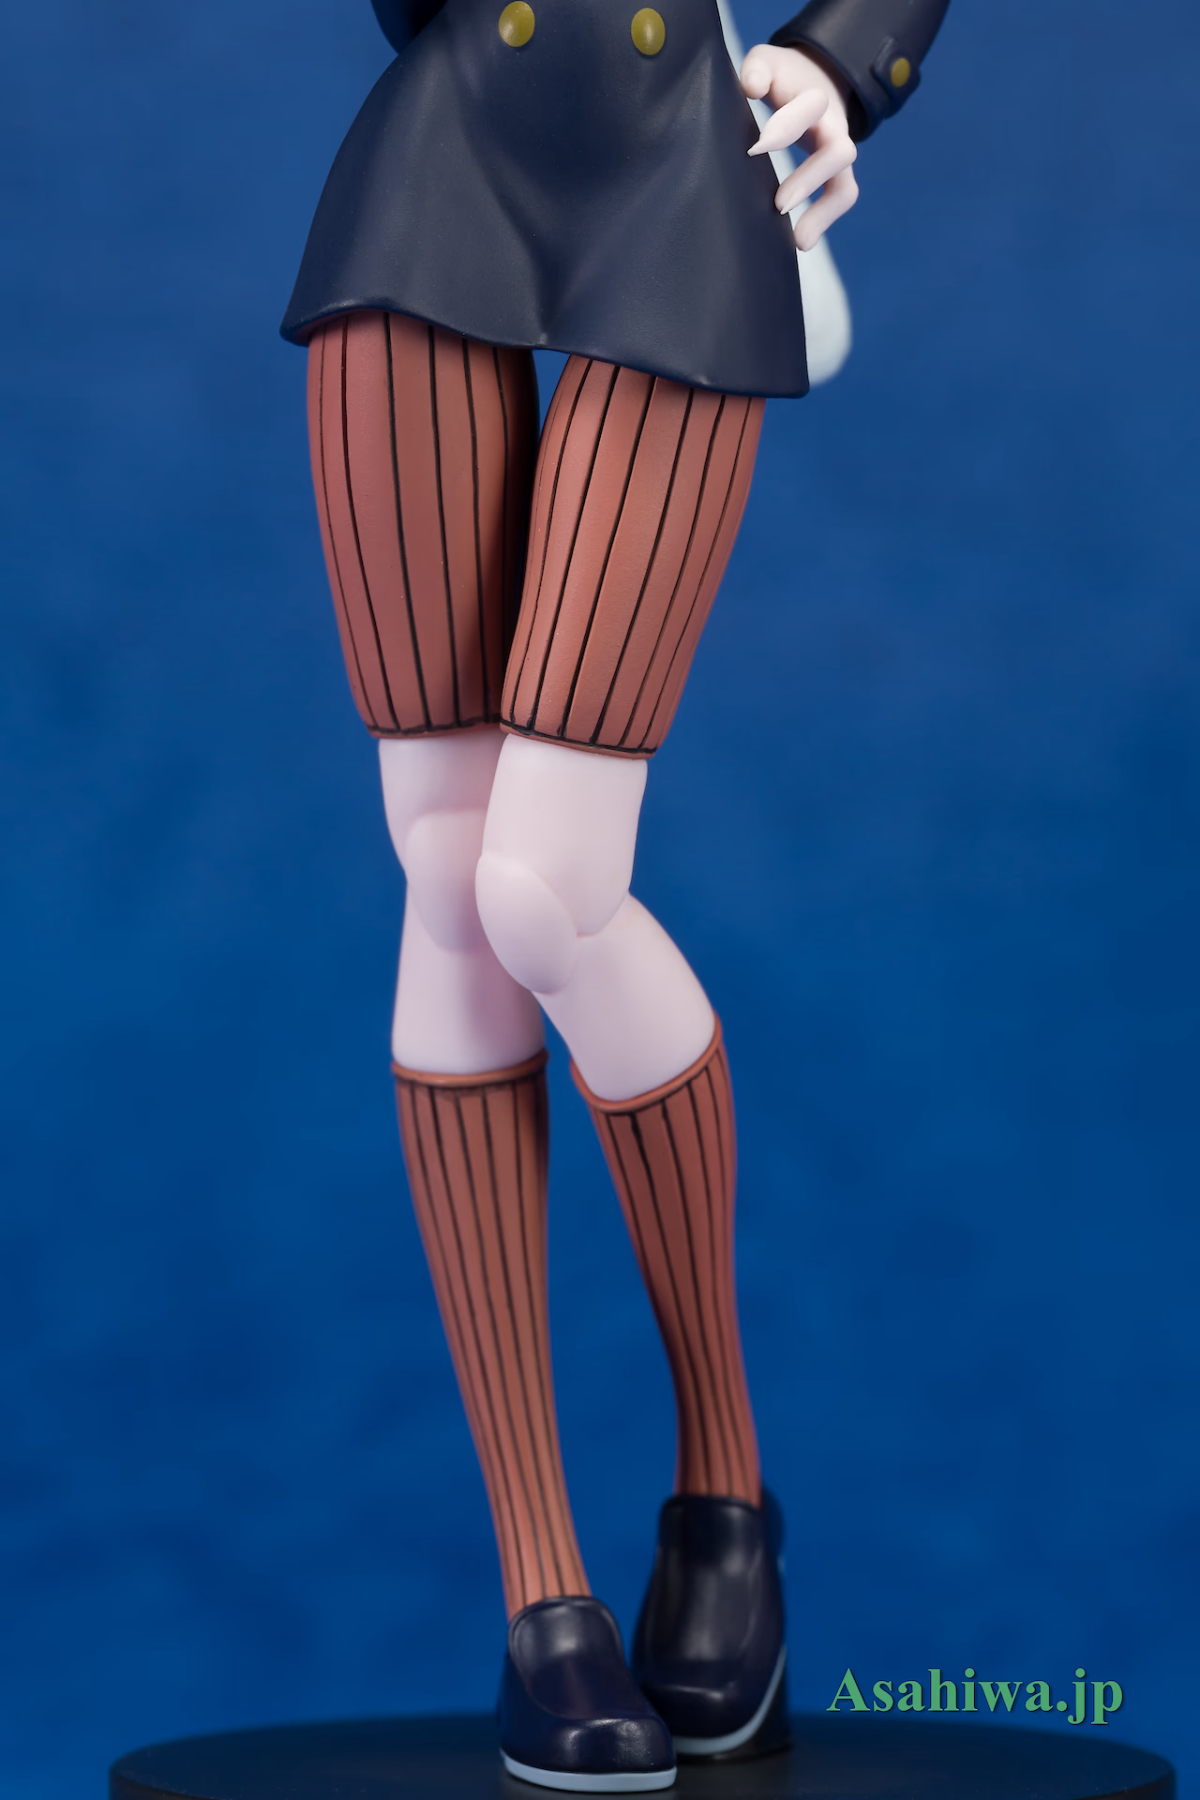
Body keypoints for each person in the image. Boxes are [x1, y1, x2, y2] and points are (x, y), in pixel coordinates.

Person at [281, 0, 950, 1785]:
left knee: (542, 885)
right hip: (441, 157)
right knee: (449, 871)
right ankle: (542, 1592)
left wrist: (849, 57)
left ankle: (724, 1496)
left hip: (682, 163)